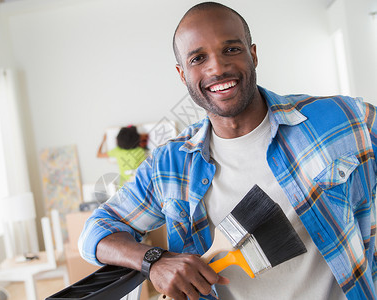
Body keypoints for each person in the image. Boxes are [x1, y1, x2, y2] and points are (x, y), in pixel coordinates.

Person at [80, 2, 377, 300]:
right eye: (198, 58)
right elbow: (96, 231)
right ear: (182, 74)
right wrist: (154, 260)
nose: (217, 68)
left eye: (231, 50)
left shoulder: (344, 118)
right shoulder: (168, 164)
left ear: (254, 54)